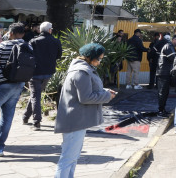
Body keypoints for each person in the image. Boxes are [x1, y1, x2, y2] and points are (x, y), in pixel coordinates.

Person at [54, 43, 116, 176]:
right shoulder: (82, 71)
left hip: (76, 119)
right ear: (90, 57)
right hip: (74, 120)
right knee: (68, 159)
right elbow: (86, 97)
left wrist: (104, 91)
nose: (99, 62)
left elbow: (87, 90)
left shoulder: (83, 68)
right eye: (99, 59)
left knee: (72, 158)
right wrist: (106, 95)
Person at [0, 23, 29, 157]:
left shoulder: (3, 45)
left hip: (1, 84)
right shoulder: (28, 46)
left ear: (10, 33)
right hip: (18, 85)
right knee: (7, 118)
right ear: (23, 34)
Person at [23, 21, 62, 130]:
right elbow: (59, 55)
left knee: (35, 96)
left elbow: (28, 55)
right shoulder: (56, 41)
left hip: (35, 72)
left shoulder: (34, 41)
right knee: (36, 94)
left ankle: (37, 122)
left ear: (40, 30)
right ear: (50, 30)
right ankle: (26, 117)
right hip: (48, 72)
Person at [156, 34, 176, 118]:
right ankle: (160, 111)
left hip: (165, 73)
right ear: (174, 39)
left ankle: (162, 110)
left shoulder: (170, 47)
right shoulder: (168, 46)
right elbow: (174, 59)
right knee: (162, 92)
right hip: (163, 73)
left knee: (165, 92)